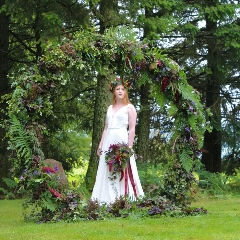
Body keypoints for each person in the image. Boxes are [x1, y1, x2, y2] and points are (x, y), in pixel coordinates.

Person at [91, 77, 144, 203]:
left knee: (121, 166)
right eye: (117, 89)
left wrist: (129, 147)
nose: (120, 91)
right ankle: (105, 198)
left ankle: (123, 197)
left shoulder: (130, 108)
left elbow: (131, 129)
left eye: (122, 89)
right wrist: (100, 144)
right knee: (107, 166)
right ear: (113, 92)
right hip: (109, 138)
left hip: (121, 138)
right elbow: (106, 127)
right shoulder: (110, 108)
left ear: (125, 92)